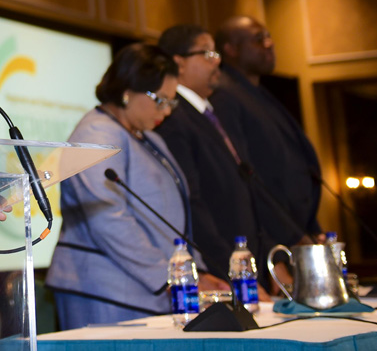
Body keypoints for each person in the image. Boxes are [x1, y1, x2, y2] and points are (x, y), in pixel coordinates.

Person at [46, 43, 228, 329]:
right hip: (104, 292)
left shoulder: (149, 138)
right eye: (160, 100)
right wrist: (170, 277)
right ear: (128, 91)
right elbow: (108, 219)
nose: (166, 111)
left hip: (147, 289)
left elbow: (171, 218)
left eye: (171, 103)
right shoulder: (95, 135)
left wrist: (196, 272)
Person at [156, 24, 264, 281]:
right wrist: (226, 268)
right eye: (207, 53)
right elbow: (193, 201)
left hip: (244, 258)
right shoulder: (173, 118)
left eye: (216, 54)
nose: (217, 61)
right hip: (219, 268)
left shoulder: (215, 111)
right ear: (179, 63)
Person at [210, 16, 322, 247]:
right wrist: (289, 235)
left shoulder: (258, 93)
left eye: (268, 37)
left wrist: (311, 228)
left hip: (298, 227)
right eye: (258, 39)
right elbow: (245, 176)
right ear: (231, 49)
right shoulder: (224, 96)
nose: (269, 44)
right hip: (272, 237)